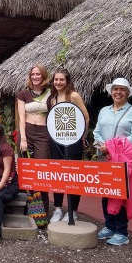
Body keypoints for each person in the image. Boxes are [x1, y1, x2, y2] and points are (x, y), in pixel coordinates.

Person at [93, 78, 132, 246]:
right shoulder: (103, 111)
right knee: (106, 192)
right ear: (111, 92)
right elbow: (97, 133)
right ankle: (109, 226)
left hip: (123, 160)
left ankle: (122, 231)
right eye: (115, 89)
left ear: (127, 93)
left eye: (122, 90)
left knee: (120, 194)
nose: (118, 92)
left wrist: (113, 147)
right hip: (104, 157)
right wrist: (103, 146)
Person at [47, 69, 90, 223]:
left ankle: (73, 210)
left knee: (74, 174)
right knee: (58, 173)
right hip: (57, 141)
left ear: (67, 81)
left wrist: (82, 137)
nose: (58, 82)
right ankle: (58, 208)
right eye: (56, 80)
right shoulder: (53, 99)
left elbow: (85, 116)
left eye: (61, 80)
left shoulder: (73, 96)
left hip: (73, 140)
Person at [16, 64, 51, 218]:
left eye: (38, 74)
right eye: (33, 74)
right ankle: (26, 207)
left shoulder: (51, 94)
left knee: (41, 170)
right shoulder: (23, 94)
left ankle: (42, 210)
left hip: (43, 133)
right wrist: (23, 138)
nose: (35, 77)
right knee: (26, 171)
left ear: (43, 76)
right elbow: (22, 117)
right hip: (27, 131)